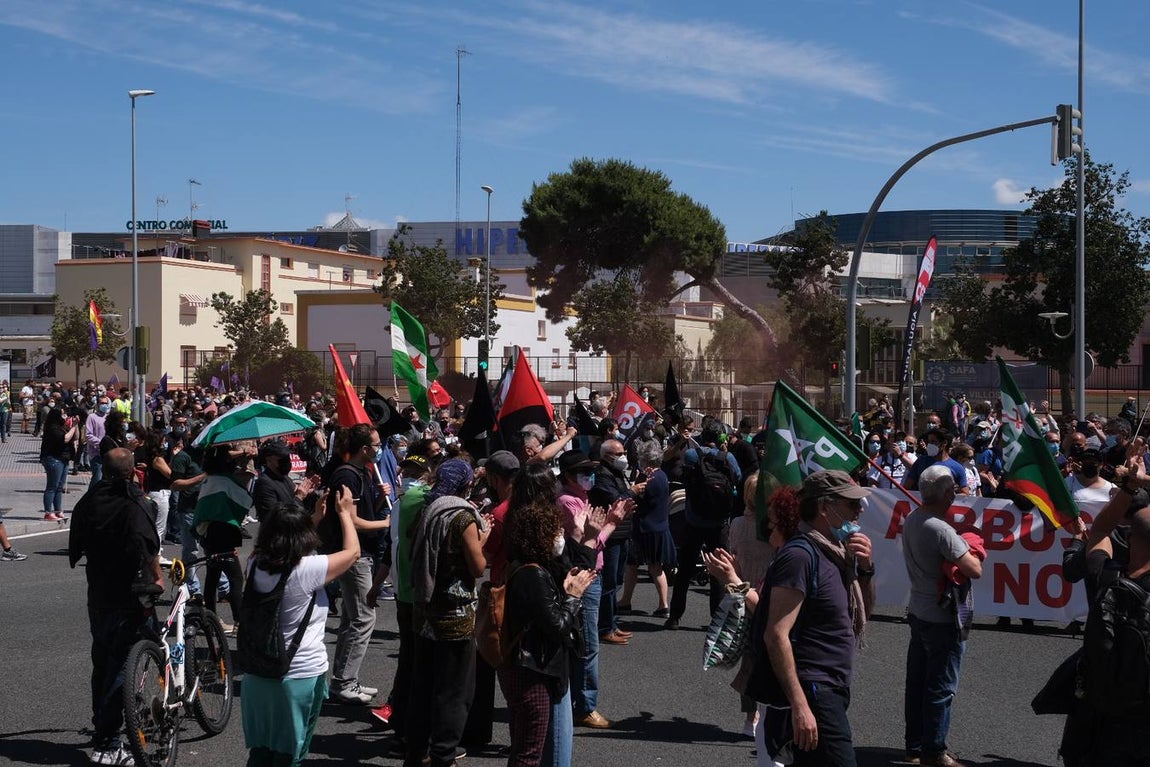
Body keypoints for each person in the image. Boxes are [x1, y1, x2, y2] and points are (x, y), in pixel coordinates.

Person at [762, 470, 875, 767]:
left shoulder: (837, 553)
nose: (859, 510)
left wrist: (865, 568)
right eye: (851, 504)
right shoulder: (800, 555)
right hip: (814, 688)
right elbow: (776, 634)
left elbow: (863, 614)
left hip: (833, 686)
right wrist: (800, 705)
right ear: (825, 508)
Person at [241, 491, 361, 767]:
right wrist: (344, 514)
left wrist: (313, 518)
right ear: (304, 537)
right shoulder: (308, 569)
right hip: (299, 674)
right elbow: (353, 553)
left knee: (261, 751)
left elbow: (289, 541)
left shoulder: (254, 562)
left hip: (257, 674)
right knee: (291, 754)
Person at [68, 447, 162, 766]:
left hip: (99, 592)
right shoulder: (133, 501)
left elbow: (76, 539)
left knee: (104, 659)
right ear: (132, 470)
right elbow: (147, 546)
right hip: (130, 592)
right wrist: (159, 578)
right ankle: (108, 742)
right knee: (123, 662)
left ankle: (104, 727)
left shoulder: (92, 498)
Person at [498, 496, 595, 767]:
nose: (560, 537)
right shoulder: (533, 575)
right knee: (530, 752)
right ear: (540, 536)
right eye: (555, 531)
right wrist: (573, 596)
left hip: (521, 667)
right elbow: (557, 626)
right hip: (534, 670)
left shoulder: (522, 566)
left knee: (523, 744)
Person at [405, 458, 488, 767]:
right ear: (467, 484)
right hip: (455, 614)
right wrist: (485, 535)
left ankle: (417, 753)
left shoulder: (430, 508)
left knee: (423, 685)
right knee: (455, 691)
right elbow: (477, 566)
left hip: (425, 610)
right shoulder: (462, 517)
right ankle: (443, 755)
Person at [902, 464, 984, 767]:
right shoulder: (941, 529)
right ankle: (934, 750)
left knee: (918, 682)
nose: (954, 495)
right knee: (941, 686)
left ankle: (914, 745)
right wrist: (971, 547)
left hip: (919, 609)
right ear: (944, 493)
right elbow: (974, 568)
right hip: (942, 615)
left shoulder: (913, 519)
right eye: (951, 490)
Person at [317, 423, 392, 705]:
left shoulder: (362, 472)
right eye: (375, 445)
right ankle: (345, 681)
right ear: (364, 449)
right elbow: (351, 518)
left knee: (352, 617)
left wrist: (377, 494)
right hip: (352, 553)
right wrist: (384, 523)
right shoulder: (347, 474)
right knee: (363, 617)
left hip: (360, 552)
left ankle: (345, 679)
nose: (379, 449)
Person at [193, 445, 254, 632]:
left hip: (209, 533)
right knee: (235, 578)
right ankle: (240, 621)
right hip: (224, 533)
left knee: (212, 576)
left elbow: (201, 509)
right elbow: (245, 500)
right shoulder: (227, 481)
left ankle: (209, 620)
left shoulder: (208, 480)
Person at [40, 406, 76, 521]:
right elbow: (65, 439)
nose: (64, 416)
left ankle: (57, 510)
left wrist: (75, 426)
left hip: (63, 458)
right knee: (52, 486)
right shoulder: (52, 428)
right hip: (53, 458)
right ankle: (48, 512)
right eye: (62, 414)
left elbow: (75, 437)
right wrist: (73, 427)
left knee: (60, 487)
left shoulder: (62, 427)